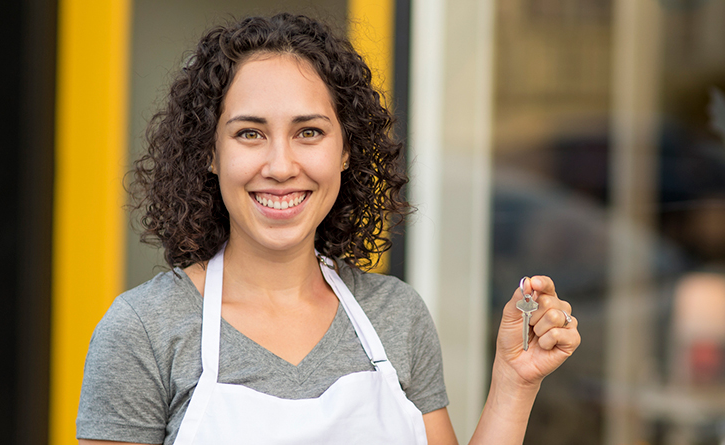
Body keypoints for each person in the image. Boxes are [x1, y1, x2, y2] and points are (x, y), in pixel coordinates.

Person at [76, 13, 580, 445]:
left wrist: (514, 382)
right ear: (210, 153)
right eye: (250, 133)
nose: (280, 164)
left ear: (344, 151)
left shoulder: (396, 317)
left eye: (309, 132)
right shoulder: (143, 330)